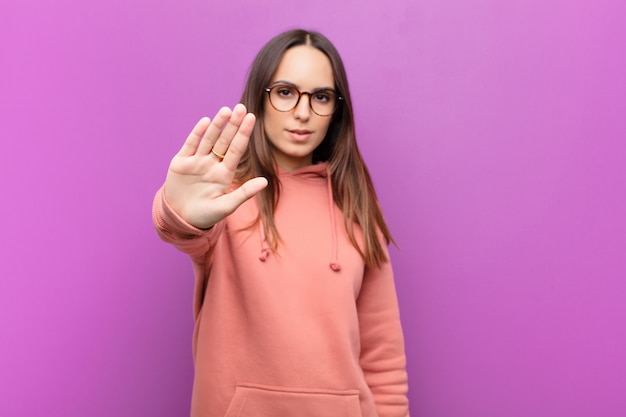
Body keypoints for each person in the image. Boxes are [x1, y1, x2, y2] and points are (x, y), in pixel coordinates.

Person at [152, 29, 409, 417]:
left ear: (337, 109)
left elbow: (383, 358)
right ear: (261, 96)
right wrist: (179, 211)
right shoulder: (224, 199)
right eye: (286, 92)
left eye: (321, 97)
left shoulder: (358, 210)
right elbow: (181, 229)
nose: (303, 112)